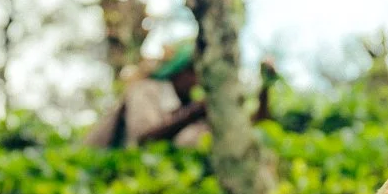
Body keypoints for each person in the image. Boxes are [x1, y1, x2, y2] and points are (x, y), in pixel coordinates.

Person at [83, 45, 275, 150]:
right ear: (177, 71)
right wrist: (194, 112)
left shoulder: (192, 105)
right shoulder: (146, 90)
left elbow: (248, 132)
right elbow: (144, 140)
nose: (198, 80)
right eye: (193, 72)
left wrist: (265, 89)